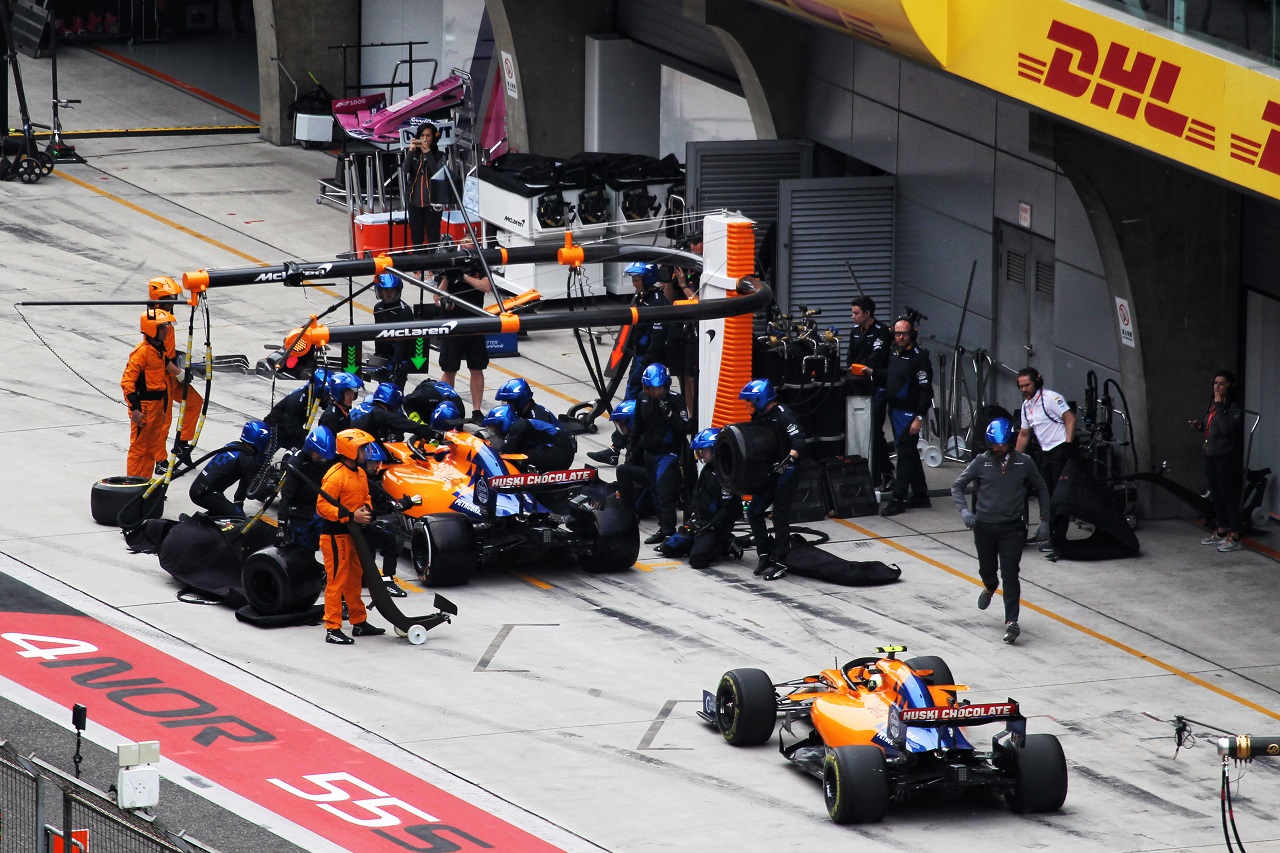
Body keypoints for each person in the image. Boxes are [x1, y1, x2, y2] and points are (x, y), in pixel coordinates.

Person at [951, 417, 1050, 645]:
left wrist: (1045, 519)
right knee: (987, 569)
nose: (999, 449)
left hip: (1012, 528)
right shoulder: (980, 462)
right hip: (984, 527)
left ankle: (1011, 621)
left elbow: (1041, 487)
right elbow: (957, 485)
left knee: (1010, 573)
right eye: (995, 445)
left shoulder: (1024, 463)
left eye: (1003, 444)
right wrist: (965, 512)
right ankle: (989, 585)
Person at [587, 262, 669, 466]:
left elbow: (658, 341)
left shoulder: (658, 303)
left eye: (637, 279)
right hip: (638, 357)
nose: (634, 282)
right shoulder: (642, 297)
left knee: (631, 407)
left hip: (648, 364)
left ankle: (619, 449)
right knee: (632, 408)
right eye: (632, 278)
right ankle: (621, 449)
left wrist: (644, 366)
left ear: (648, 279)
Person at [316, 429, 388, 645]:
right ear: (349, 449)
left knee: (354, 580)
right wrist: (349, 515)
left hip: (354, 534)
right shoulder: (335, 476)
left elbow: (365, 495)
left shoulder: (359, 473)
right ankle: (333, 627)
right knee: (337, 581)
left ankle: (359, 621)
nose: (366, 452)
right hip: (335, 536)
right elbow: (321, 507)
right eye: (362, 448)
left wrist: (366, 508)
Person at [738, 378, 806, 577]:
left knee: (779, 515)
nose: (747, 405)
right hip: (769, 471)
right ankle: (764, 553)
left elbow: (800, 442)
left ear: (760, 399)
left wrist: (786, 462)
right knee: (754, 511)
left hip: (788, 471)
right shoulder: (760, 417)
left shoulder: (784, 415)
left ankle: (782, 560)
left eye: (749, 401)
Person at [1014, 367, 1076, 549]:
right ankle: (1047, 532)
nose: (1024, 389)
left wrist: (1067, 444)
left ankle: (1059, 537)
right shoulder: (1026, 407)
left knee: (1059, 494)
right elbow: (1024, 435)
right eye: (1021, 386)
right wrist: (1014, 459)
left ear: (1037, 382)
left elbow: (1070, 419)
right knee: (1045, 494)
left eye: (1027, 385)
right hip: (1044, 453)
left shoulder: (1051, 398)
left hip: (1060, 451)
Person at [631, 364, 692, 544]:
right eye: (649, 388)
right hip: (649, 453)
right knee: (654, 490)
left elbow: (685, 426)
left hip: (669, 454)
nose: (653, 392)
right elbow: (637, 427)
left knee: (664, 492)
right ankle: (663, 527)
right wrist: (632, 449)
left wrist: (669, 413)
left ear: (665, 386)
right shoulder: (642, 398)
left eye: (656, 389)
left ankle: (668, 529)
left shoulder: (676, 400)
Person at [121, 309, 185, 478]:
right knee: (139, 449)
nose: (167, 330)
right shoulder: (141, 353)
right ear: (152, 329)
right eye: (163, 327)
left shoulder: (158, 351)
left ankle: (145, 482)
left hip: (157, 407)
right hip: (144, 407)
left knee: (151, 448)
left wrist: (180, 374)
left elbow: (165, 368)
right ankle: (133, 485)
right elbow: (128, 382)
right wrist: (135, 409)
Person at [881, 317, 934, 517]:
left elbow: (925, 390)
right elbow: (891, 375)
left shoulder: (919, 357)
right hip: (894, 411)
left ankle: (898, 499)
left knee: (904, 455)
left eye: (904, 333)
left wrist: (919, 416)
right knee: (909, 452)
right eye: (897, 333)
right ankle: (921, 494)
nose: (900, 337)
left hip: (909, 414)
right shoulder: (895, 352)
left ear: (913, 333)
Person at [434, 245, 493, 421]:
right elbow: (437, 298)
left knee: (477, 368)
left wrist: (465, 277)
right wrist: (447, 276)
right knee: (449, 369)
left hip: (474, 324)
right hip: (452, 326)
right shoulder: (448, 264)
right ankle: (447, 406)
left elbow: (486, 287)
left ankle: (476, 410)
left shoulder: (479, 264)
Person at [1190, 370, 1245, 552]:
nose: (1217, 387)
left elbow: (1227, 429)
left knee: (1229, 495)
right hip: (1210, 454)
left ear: (1229, 385)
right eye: (1215, 383)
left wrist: (1221, 407)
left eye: (1221, 383)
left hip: (1226, 457)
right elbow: (1212, 425)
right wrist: (1201, 426)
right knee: (1216, 493)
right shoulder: (1212, 403)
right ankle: (1221, 529)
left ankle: (1235, 535)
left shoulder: (1233, 406)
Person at [846, 296, 894, 489]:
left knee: (875, 429)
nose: (852, 317)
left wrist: (864, 367)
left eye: (856, 313)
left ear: (867, 313)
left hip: (877, 386)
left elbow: (877, 357)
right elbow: (849, 357)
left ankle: (885, 472)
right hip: (856, 386)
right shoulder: (854, 332)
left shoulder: (882, 332)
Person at [682, 427, 743, 569]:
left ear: (714, 449)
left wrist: (711, 524)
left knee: (697, 560)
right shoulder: (708, 469)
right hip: (702, 520)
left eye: (703, 451)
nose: (700, 455)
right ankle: (700, 543)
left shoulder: (726, 473)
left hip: (717, 525)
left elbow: (728, 508)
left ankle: (727, 545)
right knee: (671, 548)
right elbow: (696, 493)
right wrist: (695, 514)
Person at [188, 420, 271, 518]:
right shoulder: (247, 460)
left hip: (199, 488)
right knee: (238, 518)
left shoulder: (233, 445)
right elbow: (252, 491)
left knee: (223, 510)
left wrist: (238, 501)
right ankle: (197, 523)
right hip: (206, 494)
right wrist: (269, 490)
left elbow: (245, 480)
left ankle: (197, 520)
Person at [279, 425, 337, 551]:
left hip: (319, 510)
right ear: (311, 449)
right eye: (319, 454)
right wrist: (281, 524)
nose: (321, 458)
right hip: (300, 513)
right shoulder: (296, 463)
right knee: (300, 549)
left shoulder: (325, 461)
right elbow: (286, 495)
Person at [482, 403, 577, 472]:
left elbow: (505, 452)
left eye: (494, 427)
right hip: (562, 449)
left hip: (559, 450)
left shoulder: (518, 426)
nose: (493, 432)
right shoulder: (522, 425)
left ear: (503, 422)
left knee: (515, 458)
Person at [265, 368, 332, 452]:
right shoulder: (297, 400)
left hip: (292, 428)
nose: (328, 398)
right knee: (264, 457)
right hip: (277, 430)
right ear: (319, 391)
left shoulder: (312, 395)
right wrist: (305, 436)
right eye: (327, 394)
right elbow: (290, 428)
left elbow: (325, 403)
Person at [402, 123, 444, 250]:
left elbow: (438, 173)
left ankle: (434, 268)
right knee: (416, 236)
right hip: (414, 202)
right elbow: (405, 170)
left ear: (434, 138)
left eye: (428, 136)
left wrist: (428, 154)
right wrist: (410, 151)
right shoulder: (415, 154)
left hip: (432, 203)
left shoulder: (440, 155)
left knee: (433, 236)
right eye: (422, 135)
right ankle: (417, 267)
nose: (425, 138)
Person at [350, 382, 434, 444]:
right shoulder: (379, 414)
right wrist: (428, 431)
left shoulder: (364, 406)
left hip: (348, 440)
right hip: (355, 446)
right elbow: (404, 424)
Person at [372, 273, 415, 387]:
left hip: (398, 359)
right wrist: (377, 356)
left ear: (397, 291)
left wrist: (397, 362)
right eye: (385, 291)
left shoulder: (404, 311)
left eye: (391, 291)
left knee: (396, 390)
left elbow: (402, 341)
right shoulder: (378, 308)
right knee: (382, 388)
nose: (388, 294)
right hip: (382, 356)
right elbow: (377, 333)